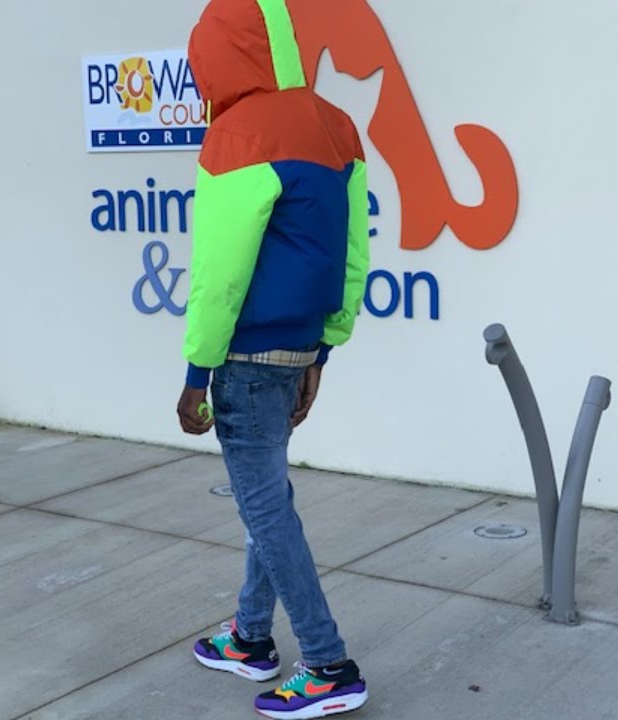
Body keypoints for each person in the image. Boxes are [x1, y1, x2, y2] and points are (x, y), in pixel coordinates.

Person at [174, 0, 370, 717]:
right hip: (298, 348)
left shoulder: (236, 134)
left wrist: (197, 372)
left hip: (247, 356)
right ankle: (250, 637)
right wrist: (325, 348)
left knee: (264, 507)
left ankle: (327, 664)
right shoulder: (337, 126)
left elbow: (219, 274)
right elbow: (354, 252)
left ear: (215, 57)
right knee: (269, 499)